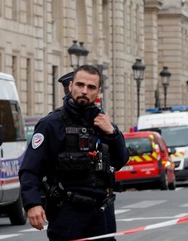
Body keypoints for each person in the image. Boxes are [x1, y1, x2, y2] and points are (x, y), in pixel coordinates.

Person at [19, 65, 129, 241]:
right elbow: (30, 169)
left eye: (91, 87)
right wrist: (32, 204)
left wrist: (113, 134)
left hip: (102, 215)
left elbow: (121, 160)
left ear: (98, 92)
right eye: (80, 85)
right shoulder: (51, 124)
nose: (84, 90)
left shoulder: (103, 123)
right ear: (71, 86)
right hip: (68, 215)